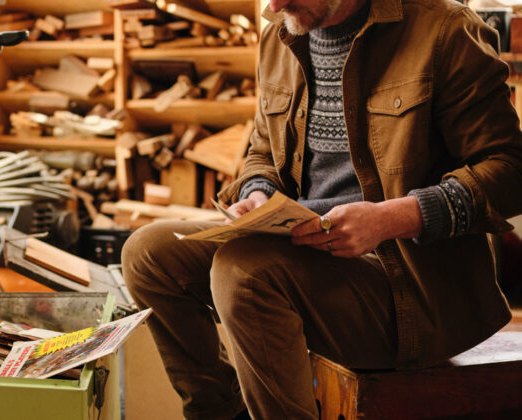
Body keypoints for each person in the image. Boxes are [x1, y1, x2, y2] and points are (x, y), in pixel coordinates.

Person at [122, 0, 522, 418]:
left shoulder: (445, 29)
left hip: (409, 287)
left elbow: (510, 171)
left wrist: (392, 218)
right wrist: (259, 191)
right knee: (147, 253)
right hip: (306, 252)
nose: (275, 5)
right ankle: (224, 413)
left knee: (244, 272)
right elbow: (261, 151)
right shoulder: (282, 31)